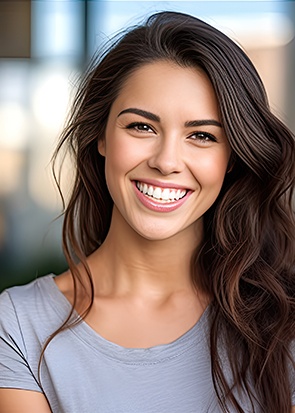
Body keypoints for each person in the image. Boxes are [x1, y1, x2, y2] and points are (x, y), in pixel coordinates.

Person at [0, 10, 294, 413]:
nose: (167, 160)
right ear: (100, 135)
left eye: (202, 136)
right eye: (142, 127)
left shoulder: (282, 319)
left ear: (232, 159)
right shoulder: (18, 325)